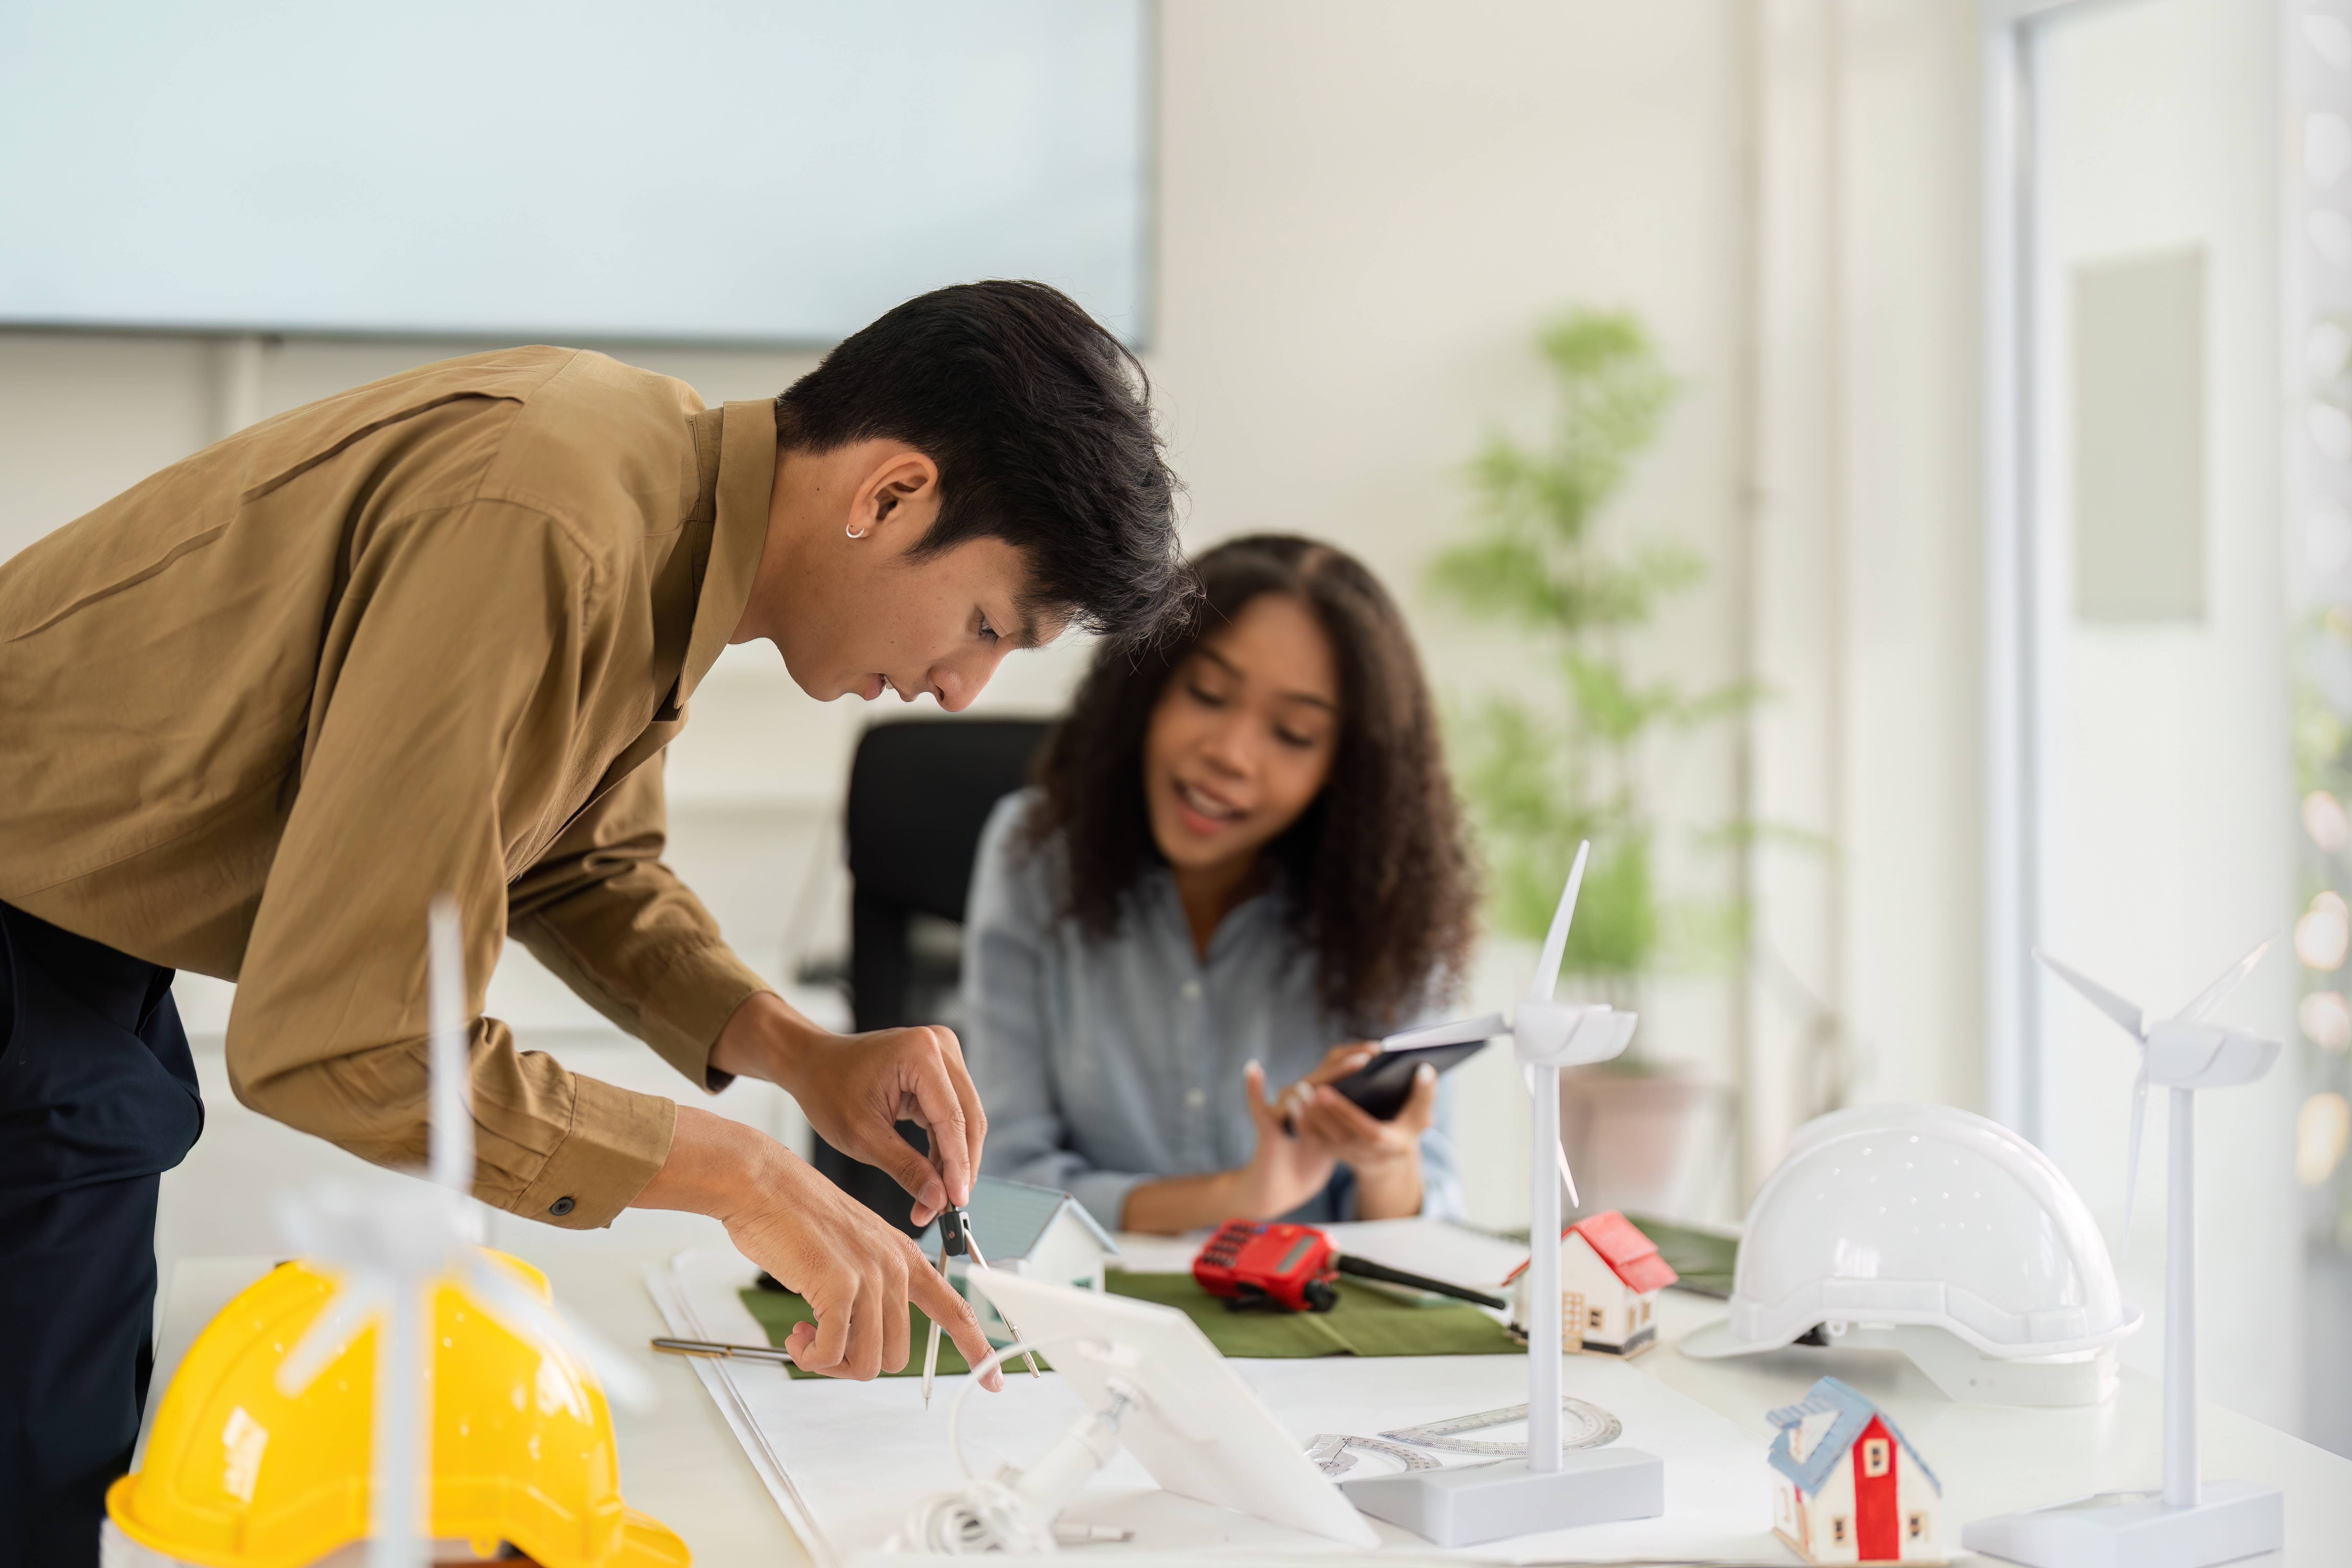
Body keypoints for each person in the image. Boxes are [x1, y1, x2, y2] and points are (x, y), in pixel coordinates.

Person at [0, 281, 1186, 1561]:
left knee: (62, 1476)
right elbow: (351, 1041)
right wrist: (740, 1170)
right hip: (30, 959)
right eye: (985, 625)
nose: (963, 689)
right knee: (41, 1498)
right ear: (889, 494)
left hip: (76, 971)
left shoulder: (642, 499)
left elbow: (574, 863)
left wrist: (799, 1054)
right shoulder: (551, 524)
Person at [965, 535, 1480, 1235]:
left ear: (1347, 769)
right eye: (1207, 695)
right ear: (1147, 689)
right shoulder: (1034, 858)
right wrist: (1237, 1198)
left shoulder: (1390, 904)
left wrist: (1385, 1164)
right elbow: (1000, 1196)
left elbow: (1434, 1221)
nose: (1230, 756)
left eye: (1294, 734)